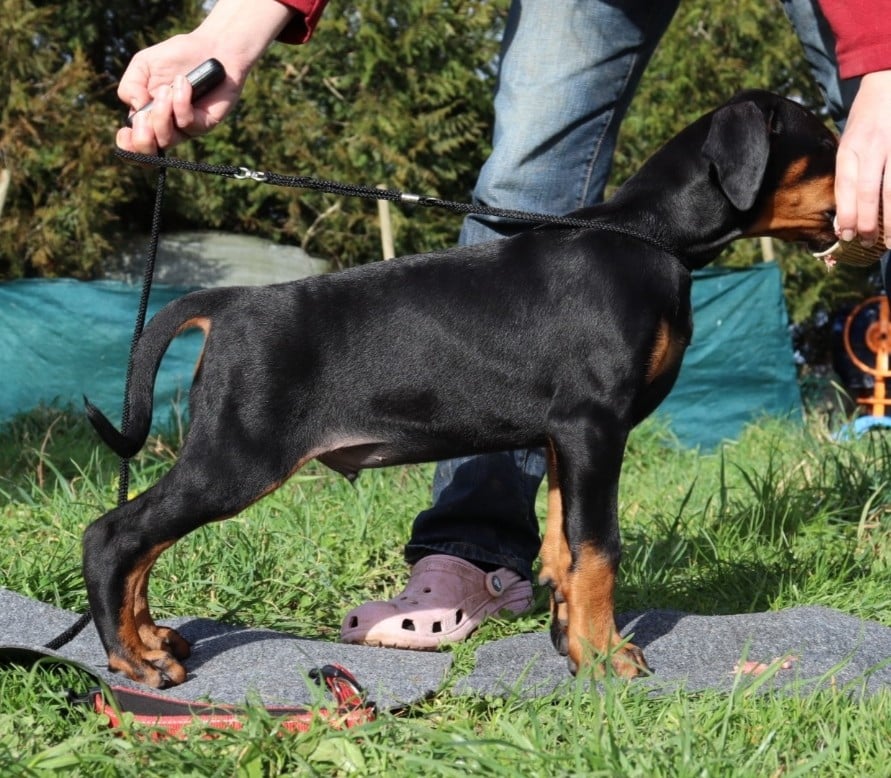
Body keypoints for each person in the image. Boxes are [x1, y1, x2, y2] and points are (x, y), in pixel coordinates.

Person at [117, 0, 891, 650]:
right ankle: (478, 556)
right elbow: (586, 425)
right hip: (306, 347)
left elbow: (579, 424)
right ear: (744, 161)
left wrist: (883, 65)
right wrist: (242, 22)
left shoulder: (653, 277)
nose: (834, 182)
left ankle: (544, 566)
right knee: (218, 484)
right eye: (822, 159)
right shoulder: (634, 279)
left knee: (881, 145)